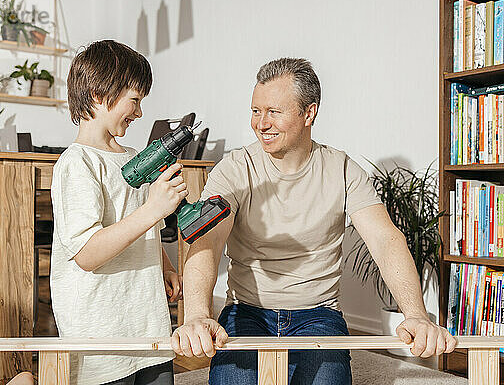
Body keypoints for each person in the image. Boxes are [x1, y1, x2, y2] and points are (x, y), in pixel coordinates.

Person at [171, 58, 457, 384]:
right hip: (247, 311)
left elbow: (386, 239)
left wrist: (417, 315)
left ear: (309, 113)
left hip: (319, 315)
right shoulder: (235, 168)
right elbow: (207, 242)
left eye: (274, 112)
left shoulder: (343, 169)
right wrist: (196, 315)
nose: (261, 123)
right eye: (255, 111)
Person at [50, 40, 184, 385]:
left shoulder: (133, 156)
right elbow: (87, 255)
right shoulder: (77, 163)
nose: (139, 112)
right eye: (134, 100)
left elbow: (142, 227)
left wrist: (165, 265)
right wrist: (155, 208)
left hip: (147, 320)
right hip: (101, 330)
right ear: (98, 93)